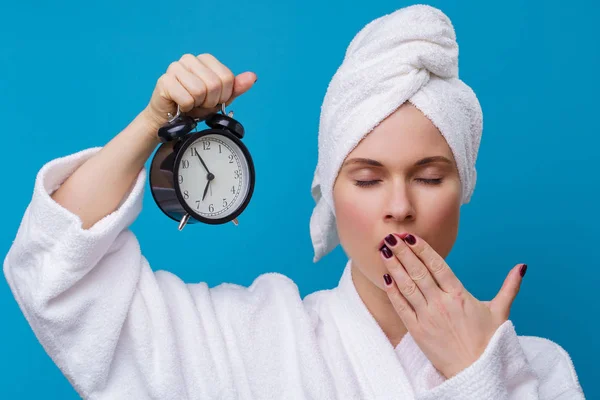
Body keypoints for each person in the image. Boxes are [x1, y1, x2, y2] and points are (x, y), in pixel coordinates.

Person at [3, 4, 585, 400]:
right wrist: (155, 122)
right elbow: (57, 278)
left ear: (464, 191)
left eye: (430, 179)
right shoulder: (245, 339)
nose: (400, 207)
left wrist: (475, 374)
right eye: (366, 179)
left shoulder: (540, 371)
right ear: (328, 192)